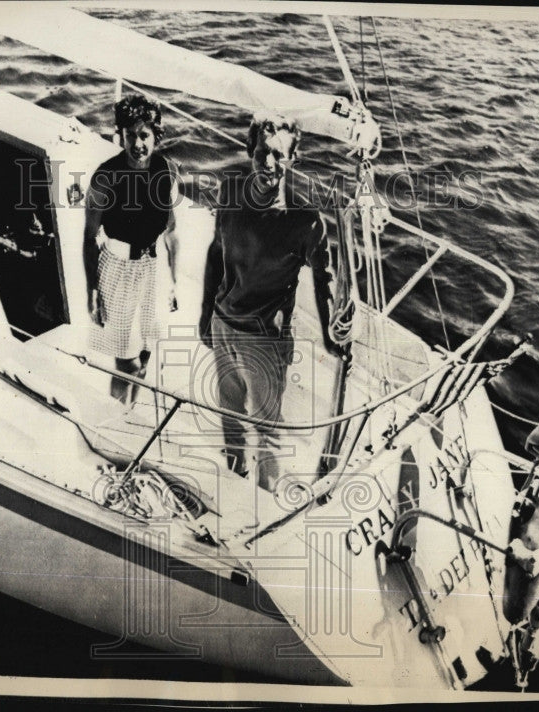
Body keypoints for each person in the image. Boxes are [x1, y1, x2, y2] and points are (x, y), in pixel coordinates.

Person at [199, 114, 346, 491]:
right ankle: (235, 485)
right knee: (228, 416)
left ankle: (264, 503)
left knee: (267, 433)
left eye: (279, 155)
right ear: (250, 151)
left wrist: (331, 331)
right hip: (223, 326)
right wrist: (205, 315)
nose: (269, 163)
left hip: (264, 342)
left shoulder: (306, 222)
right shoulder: (229, 193)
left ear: (293, 159)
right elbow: (216, 253)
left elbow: (324, 277)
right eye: (263, 152)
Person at [84, 95, 180, 404]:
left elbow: (171, 231)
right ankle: (114, 415)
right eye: (130, 135)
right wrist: (93, 290)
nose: (137, 143)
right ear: (120, 135)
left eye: (144, 135)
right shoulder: (105, 177)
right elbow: (89, 236)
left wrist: (174, 281)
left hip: (153, 270)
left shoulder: (165, 172)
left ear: (156, 136)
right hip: (117, 270)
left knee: (146, 354)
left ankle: (130, 411)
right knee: (127, 363)